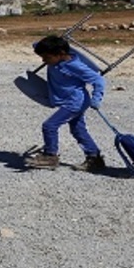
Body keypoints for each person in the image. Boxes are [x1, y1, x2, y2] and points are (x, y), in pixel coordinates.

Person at [26, 35, 107, 172]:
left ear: (61, 54)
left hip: (74, 103)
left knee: (49, 126)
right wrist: (53, 41)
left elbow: (98, 80)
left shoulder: (74, 66)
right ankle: (94, 158)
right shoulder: (56, 59)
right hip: (71, 101)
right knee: (78, 130)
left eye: (46, 57)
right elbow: (36, 45)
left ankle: (50, 156)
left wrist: (96, 98)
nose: (43, 60)